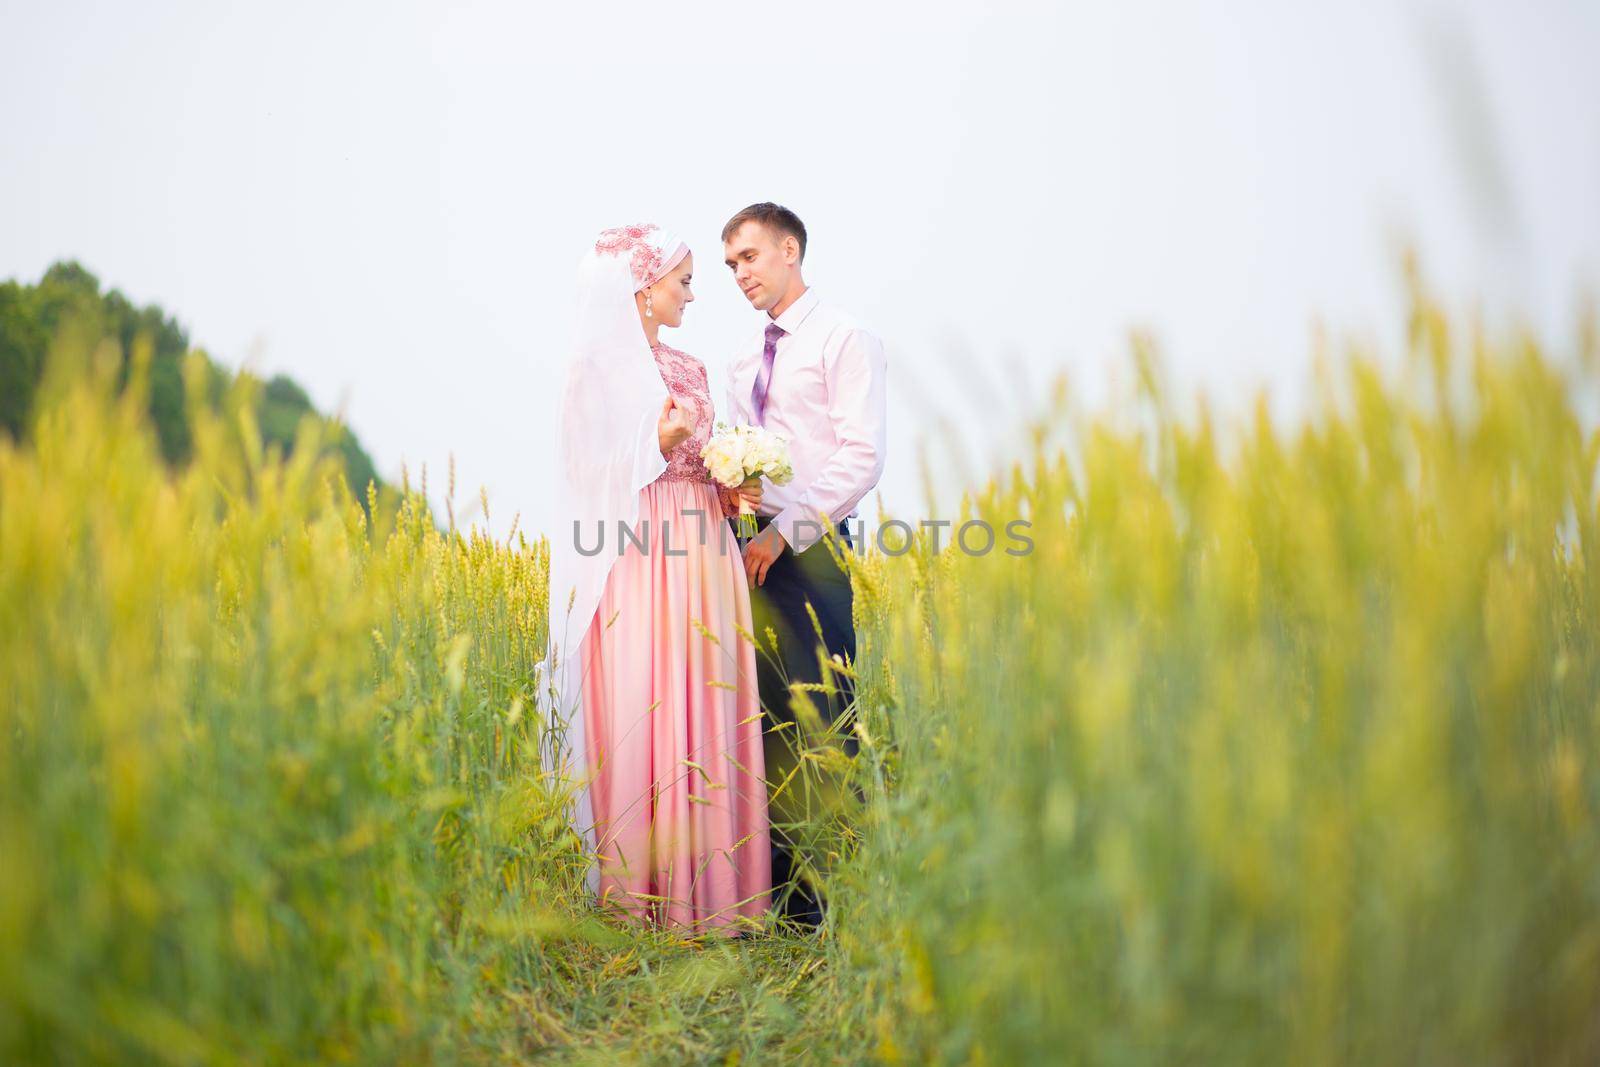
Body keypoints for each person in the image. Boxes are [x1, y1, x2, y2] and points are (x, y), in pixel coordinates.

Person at [546, 222, 770, 937]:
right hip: (641, 547)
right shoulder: (591, 370)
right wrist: (657, 443)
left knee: (708, 688)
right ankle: (643, 897)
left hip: (706, 542)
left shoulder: (692, 368)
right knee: (652, 693)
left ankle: (716, 894)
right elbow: (581, 474)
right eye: (684, 281)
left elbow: (703, 454)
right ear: (643, 288)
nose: (693, 294)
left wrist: (733, 481)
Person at [720, 203, 888, 925]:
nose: (739, 275)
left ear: (790, 250)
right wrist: (741, 502)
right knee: (766, 726)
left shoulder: (843, 338)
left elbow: (861, 454)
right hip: (749, 553)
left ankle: (835, 905)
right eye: (729, 265)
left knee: (822, 719)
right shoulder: (743, 362)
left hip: (811, 552)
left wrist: (784, 531)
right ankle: (785, 904)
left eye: (749, 257)